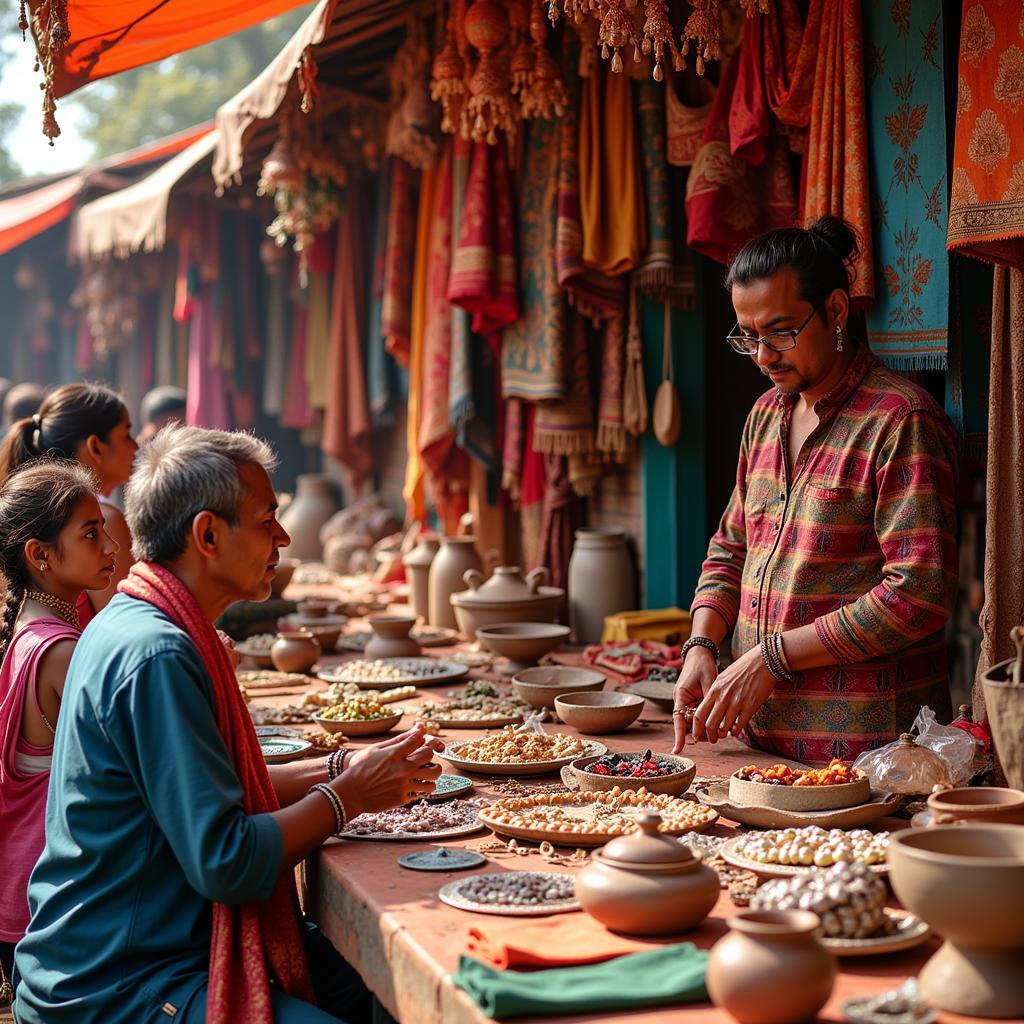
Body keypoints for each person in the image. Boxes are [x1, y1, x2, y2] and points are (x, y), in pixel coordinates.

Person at [14, 424, 442, 1024]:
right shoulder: (156, 653)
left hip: (148, 950)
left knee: (367, 983)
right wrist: (348, 797)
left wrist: (347, 766)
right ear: (208, 534)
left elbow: (222, 789)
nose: (285, 537)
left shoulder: (149, 620)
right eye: (267, 519)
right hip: (117, 980)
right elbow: (227, 863)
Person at [672, 217, 959, 765]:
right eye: (748, 336)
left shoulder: (900, 421)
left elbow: (917, 595)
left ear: (834, 311)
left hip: (870, 759)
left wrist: (771, 658)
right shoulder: (763, 417)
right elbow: (730, 549)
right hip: (754, 748)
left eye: (781, 332)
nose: (762, 355)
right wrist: (703, 644)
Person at [0, 462, 118, 990]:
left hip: (19, 902)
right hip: (50, 913)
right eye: (91, 534)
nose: (110, 546)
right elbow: (132, 766)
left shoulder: (29, 630)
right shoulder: (62, 653)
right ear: (40, 555)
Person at [0, 382, 138, 620]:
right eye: (126, 434)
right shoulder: (106, 520)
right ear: (96, 446)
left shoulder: (31, 515)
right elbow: (124, 627)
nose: (136, 446)